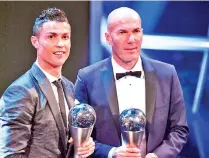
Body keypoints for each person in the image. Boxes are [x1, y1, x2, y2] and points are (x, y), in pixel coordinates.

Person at [75, 7, 189, 158]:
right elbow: (79, 135)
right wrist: (111, 153)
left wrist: (157, 156)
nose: (131, 39)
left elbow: (179, 129)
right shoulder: (87, 77)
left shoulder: (167, 74)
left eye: (136, 31)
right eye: (122, 32)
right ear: (108, 38)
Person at [0, 7, 95, 158]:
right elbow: (10, 155)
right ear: (35, 41)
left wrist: (83, 145)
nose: (60, 44)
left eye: (65, 37)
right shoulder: (21, 91)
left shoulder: (69, 87)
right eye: (51, 37)